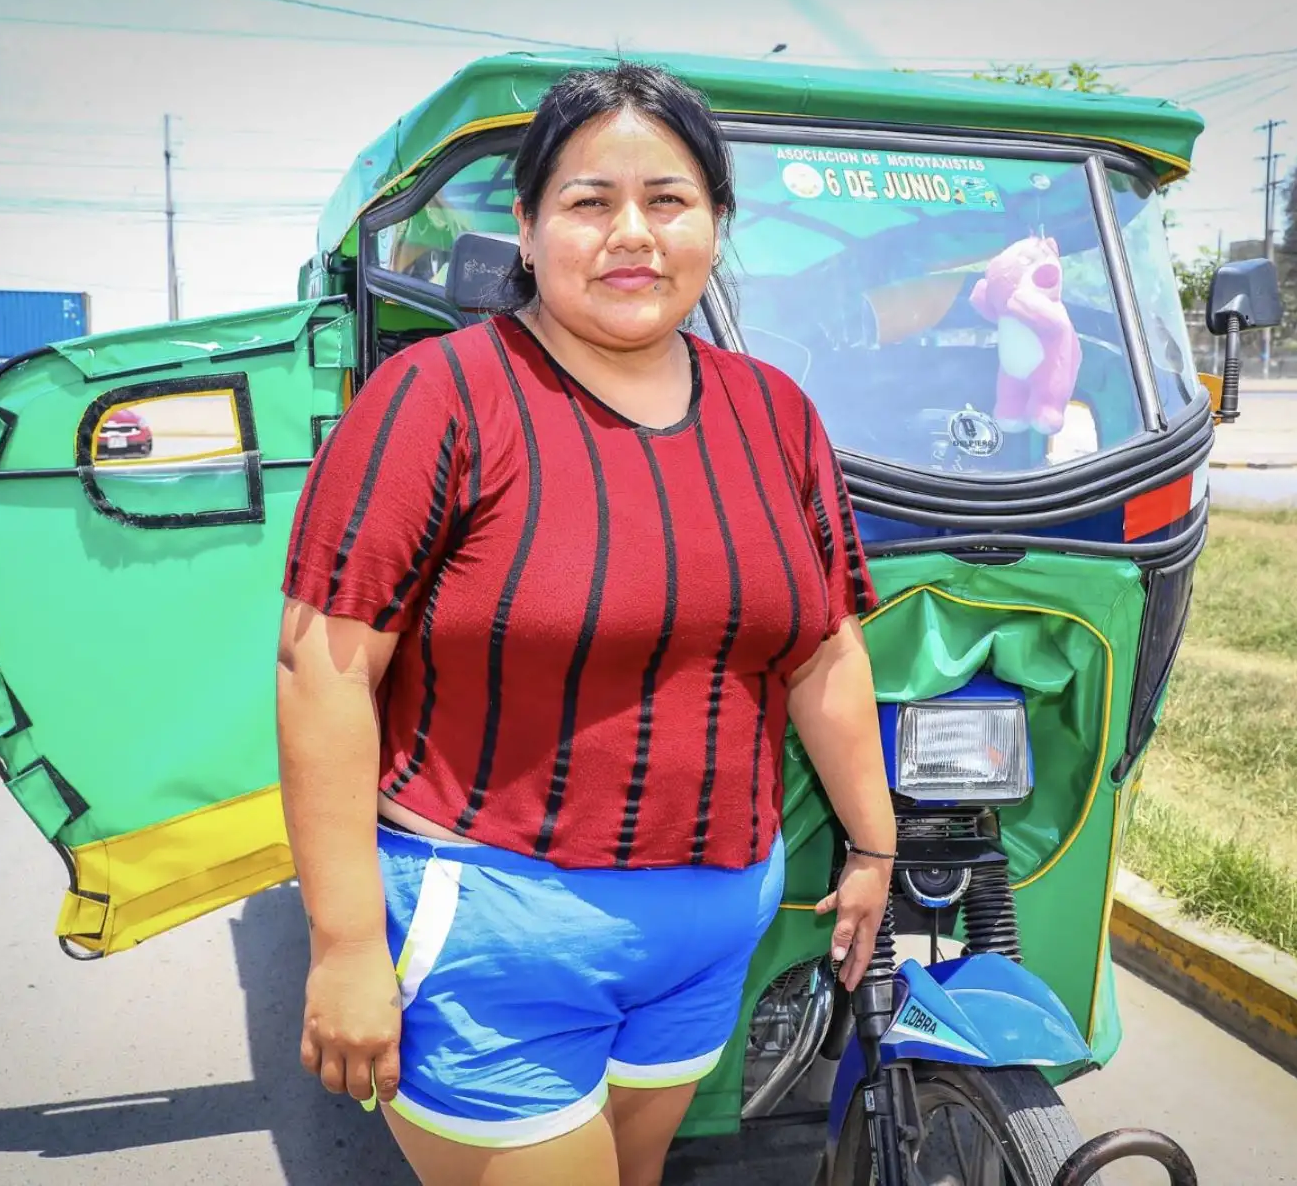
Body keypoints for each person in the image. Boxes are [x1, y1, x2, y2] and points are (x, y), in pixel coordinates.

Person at [276, 61, 896, 1186]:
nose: (632, 234)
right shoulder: (437, 398)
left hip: (709, 936)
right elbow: (322, 671)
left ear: (715, 222)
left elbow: (824, 652)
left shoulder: (778, 415)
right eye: (588, 201)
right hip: (494, 932)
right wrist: (346, 942)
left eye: (667, 200)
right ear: (524, 226)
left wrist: (873, 840)